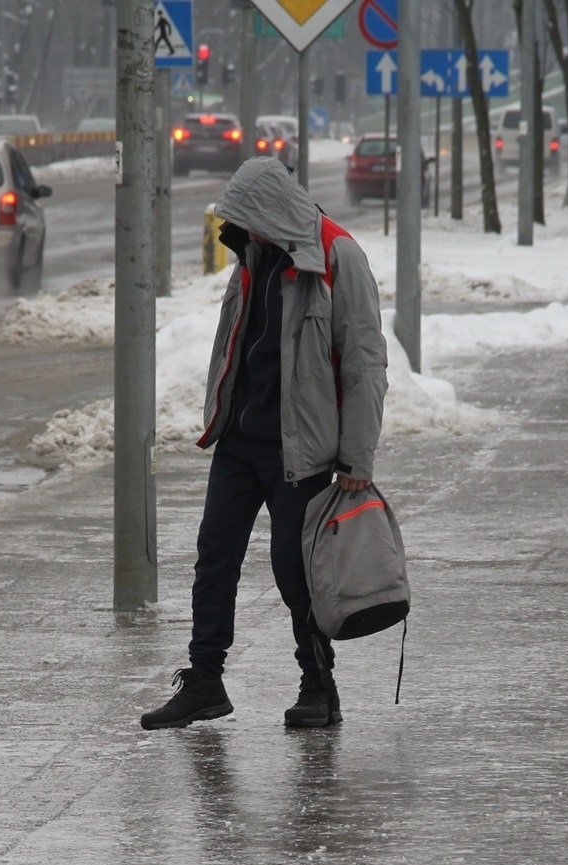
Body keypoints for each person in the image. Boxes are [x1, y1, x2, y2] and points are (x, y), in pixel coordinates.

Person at [140, 157, 387, 731]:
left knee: (294, 568)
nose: (242, 231)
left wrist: (358, 457)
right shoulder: (254, 256)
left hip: (301, 449)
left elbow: (364, 362)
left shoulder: (337, 257)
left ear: (272, 212)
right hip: (241, 439)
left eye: (248, 219)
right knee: (214, 557)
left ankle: (319, 684)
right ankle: (204, 682)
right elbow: (235, 342)